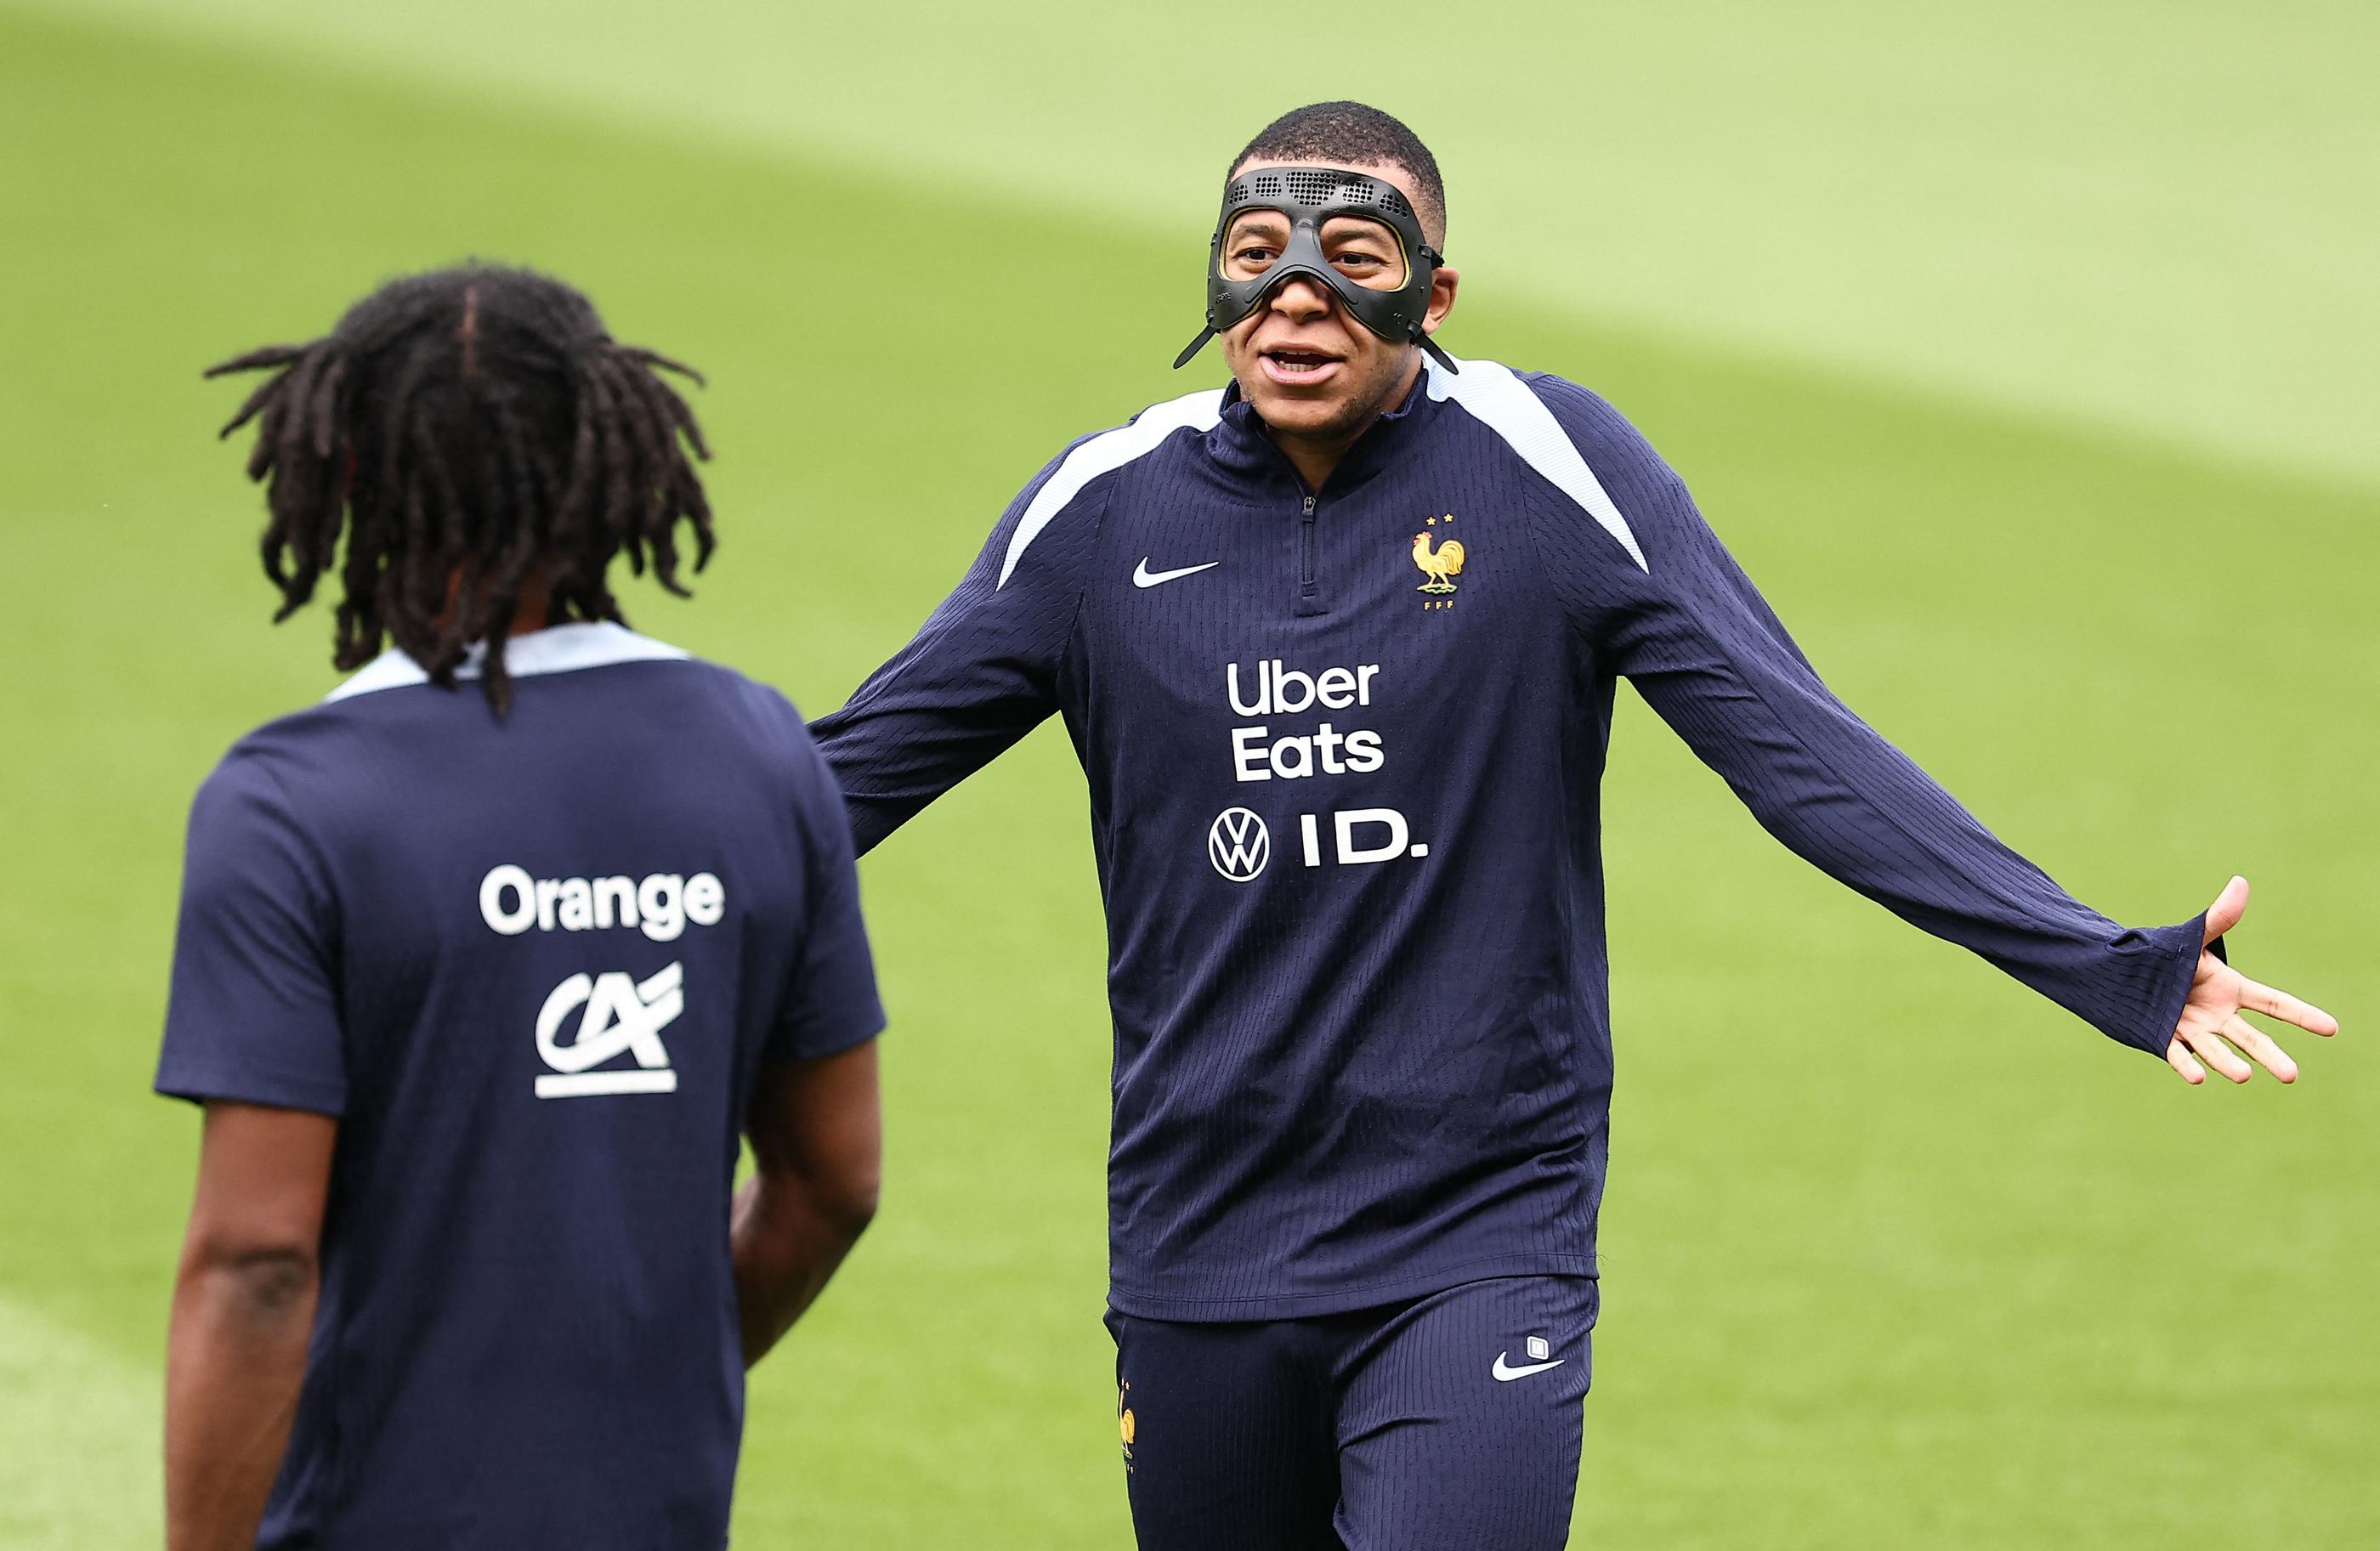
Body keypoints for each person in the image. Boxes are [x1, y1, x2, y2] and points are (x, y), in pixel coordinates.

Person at [809, 103, 2339, 1549]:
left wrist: (2108, 965)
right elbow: (845, 779)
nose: (1292, 302)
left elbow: (1799, 748)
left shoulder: (1550, 468)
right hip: (1199, 1234)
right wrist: (602, 856)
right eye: (1252, 258)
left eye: (1351, 267)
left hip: (1478, 1231)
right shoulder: (1102, 513)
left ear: (1439, 291)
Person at [159, 264, 885, 1551]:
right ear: (604, 467)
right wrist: (638, 1393)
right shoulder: (757, 750)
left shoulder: (290, 802)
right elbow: (831, 1181)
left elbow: (260, 1263)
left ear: (352, 479)